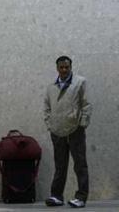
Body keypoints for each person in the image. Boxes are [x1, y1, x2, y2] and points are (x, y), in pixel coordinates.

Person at [43, 56, 92, 208]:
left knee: (80, 164)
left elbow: (86, 104)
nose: (64, 70)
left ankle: (81, 197)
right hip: (57, 132)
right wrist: (50, 125)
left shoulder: (80, 82)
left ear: (71, 67)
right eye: (61, 67)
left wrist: (82, 124)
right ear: (57, 68)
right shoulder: (51, 87)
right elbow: (46, 107)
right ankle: (57, 196)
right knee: (60, 165)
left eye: (67, 67)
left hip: (75, 130)